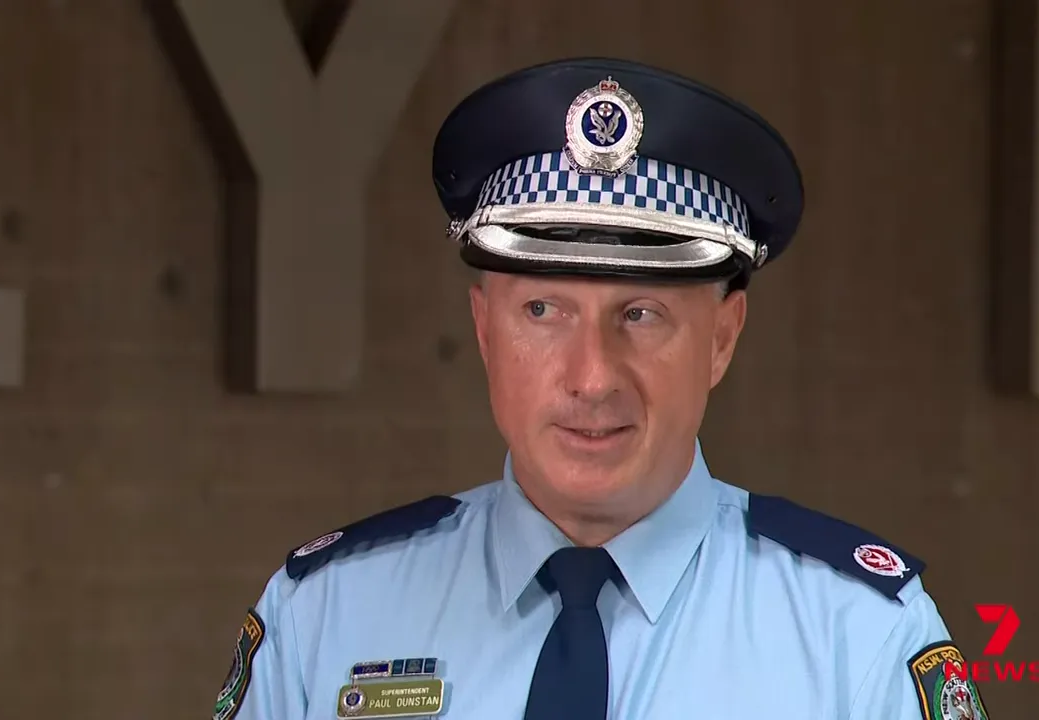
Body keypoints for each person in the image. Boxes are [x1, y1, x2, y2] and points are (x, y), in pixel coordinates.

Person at [210, 57, 989, 720]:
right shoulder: (323, 617)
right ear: (484, 331)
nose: (590, 377)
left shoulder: (860, 637)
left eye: (641, 315)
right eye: (543, 312)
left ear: (723, 338)